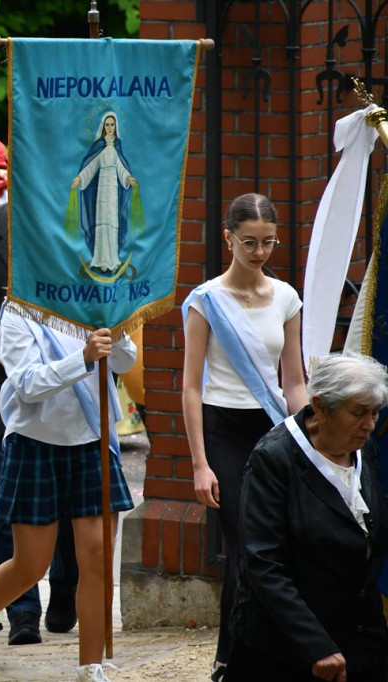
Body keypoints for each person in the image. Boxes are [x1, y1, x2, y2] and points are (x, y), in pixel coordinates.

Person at [0, 309, 137, 682]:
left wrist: (119, 333)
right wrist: (83, 357)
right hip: (34, 440)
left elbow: (125, 361)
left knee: (96, 557)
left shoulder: (93, 302)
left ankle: (90, 667)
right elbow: (28, 384)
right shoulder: (19, 309)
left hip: (90, 438)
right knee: (30, 565)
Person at [181, 193, 307, 682]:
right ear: (228, 238)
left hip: (273, 428)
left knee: (275, 543)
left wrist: (307, 437)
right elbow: (190, 387)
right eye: (249, 242)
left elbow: (293, 381)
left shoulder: (287, 298)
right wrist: (198, 462)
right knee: (244, 544)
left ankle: (262, 652)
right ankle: (229, 656)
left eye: (269, 243)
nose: (259, 252)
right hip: (222, 429)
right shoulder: (206, 300)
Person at [0, 204, 81, 644]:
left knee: (67, 501)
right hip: (8, 389)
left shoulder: (71, 219)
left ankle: (64, 588)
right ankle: (22, 609)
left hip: (69, 383)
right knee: (13, 500)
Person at [226, 353, 388, 682]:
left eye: (375, 413)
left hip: (360, 641)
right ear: (321, 407)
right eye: (359, 413)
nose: (370, 425)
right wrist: (314, 643)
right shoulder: (273, 460)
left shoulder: (363, 450)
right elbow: (263, 562)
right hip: (288, 650)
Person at [70, 112, 139, 273]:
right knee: (102, 222)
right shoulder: (99, 146)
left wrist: (129, 178)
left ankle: (112, 259)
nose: (109, 128)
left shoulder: (117, 146)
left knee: (112, 222)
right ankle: (100, 259)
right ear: (103, 127)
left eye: (112, 125)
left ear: (116, 127)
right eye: (107, 125)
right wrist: (79, 179)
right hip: (101, 188)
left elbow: (121, 168)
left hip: (113, 189)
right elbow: (92, 166)